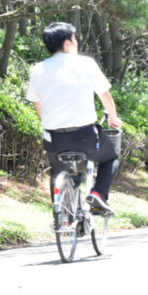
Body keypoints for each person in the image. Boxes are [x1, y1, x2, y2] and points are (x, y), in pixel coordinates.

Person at [27, 22, 123, 215]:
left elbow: (39, 107)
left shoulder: (38, 69)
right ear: (68, 43)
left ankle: (61, 216)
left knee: (57, 168)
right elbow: (105, 95)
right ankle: (98, 194)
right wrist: (113, 118)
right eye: (75, 38)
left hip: (53, 139)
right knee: (111, 156)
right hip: (85, 136)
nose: (77, 42)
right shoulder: (85, 63)